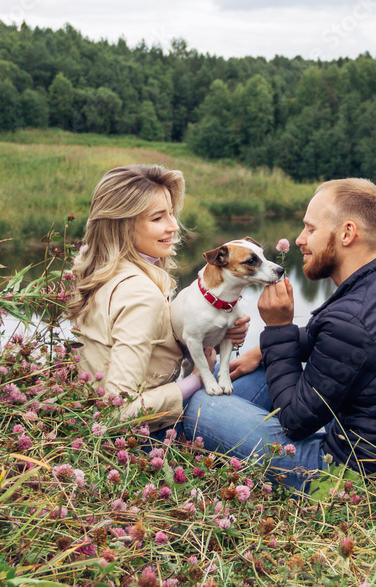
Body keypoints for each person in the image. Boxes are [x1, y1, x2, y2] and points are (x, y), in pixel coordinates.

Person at [183, 178, 376, 489]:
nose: (300, 239)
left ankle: (173, 445)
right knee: (236, 372)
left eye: (310, 229)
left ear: (347, 233)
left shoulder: (351, 320)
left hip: (353, 477)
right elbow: (341, 344)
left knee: (198, 407)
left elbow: (294, 422)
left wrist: (277, 329)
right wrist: (263, 350)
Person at [68, 165, 256, 439]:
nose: (173, 226)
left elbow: (138, 345)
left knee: (255, 370)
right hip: (150, 435)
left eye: (171, 212)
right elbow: (117, 410)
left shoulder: (100, 271)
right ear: (123, 224)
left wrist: (210, 332)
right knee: (263, 379)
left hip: (91, 419)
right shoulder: (140, 294)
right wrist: (198, 379)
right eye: (158, 218)